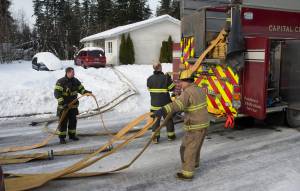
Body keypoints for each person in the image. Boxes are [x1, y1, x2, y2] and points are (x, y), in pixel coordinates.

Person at [152, 69, 209, 180]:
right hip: (203, 125)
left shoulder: (188, 92)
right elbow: (190, 105)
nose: (180, 84)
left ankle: (187, 173)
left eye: (181, 82)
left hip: (194, 126)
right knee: (195, 147)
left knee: (186, 149)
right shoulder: (200, 89)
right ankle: (194, 164)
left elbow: (177, 105)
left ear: (187, 81)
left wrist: (163, 110)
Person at [54, 67, 92, 144]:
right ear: (67, 73)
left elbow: (81, 89)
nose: (74, 74)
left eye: (74, 72)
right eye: (72, 72)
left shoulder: (75, 81)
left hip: (73, 106)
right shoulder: (61, 82)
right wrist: (62, 103)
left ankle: (72, 135)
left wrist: (86, 92)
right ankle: (62, 138)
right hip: (64, 107)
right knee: (63, 123)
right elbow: (57, 93)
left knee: (73, 121)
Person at [147, 63, 176, 143]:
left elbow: (149, 89)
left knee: (156, 122)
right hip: (165, 105)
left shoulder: (149, 79)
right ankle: (171, 136)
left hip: (154, 106)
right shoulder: (166, 78)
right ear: (160, 67)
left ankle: (155, 138)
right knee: (168, 120)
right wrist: (169, 78)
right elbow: (172, 88)